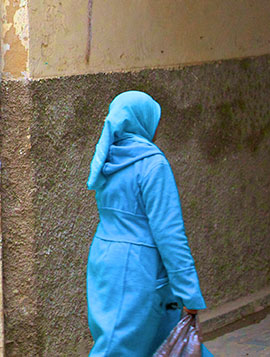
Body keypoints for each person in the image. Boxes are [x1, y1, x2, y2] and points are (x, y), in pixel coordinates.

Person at [86, 91, 213, 356]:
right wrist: (189, 293)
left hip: (104, 262)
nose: (158, 128)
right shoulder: (152, 164)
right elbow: (170, 234)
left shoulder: (107, 159)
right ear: (141, 120)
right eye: (156, 120)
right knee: (118, 349)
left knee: (158, 342)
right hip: (137, 269)